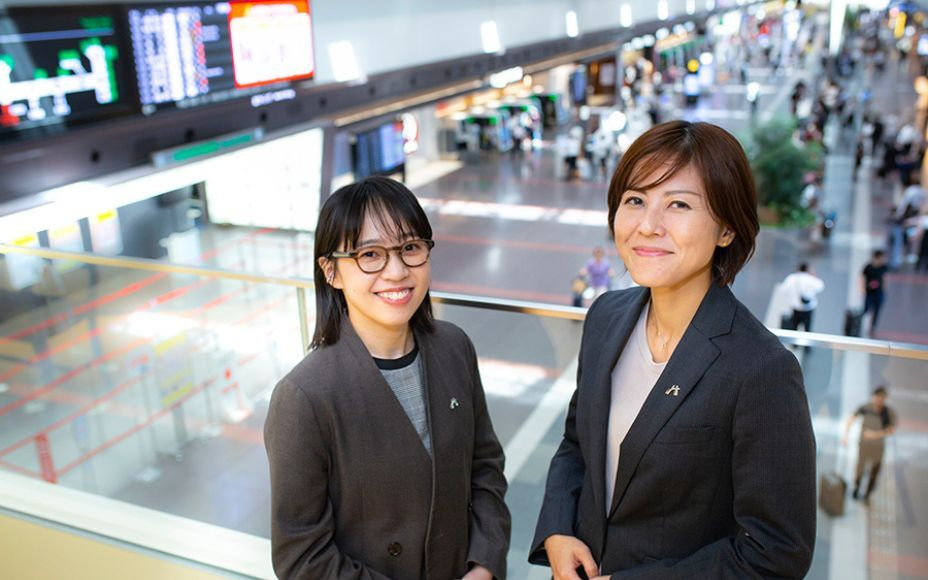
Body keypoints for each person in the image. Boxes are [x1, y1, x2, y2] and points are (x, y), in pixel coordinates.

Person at [529, 121, 816, 578]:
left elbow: (776, 551)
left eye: (678, 204)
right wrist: (558, 529)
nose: (647, 225)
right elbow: (577, 443)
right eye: (635, 200)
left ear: (726, 229)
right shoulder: (607, 316)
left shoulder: (761, 369)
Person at [264, 177, 510, 579]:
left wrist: (484, 563)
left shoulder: (453, 348)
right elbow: (302, 556)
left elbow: (485, 468)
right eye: (370, 255)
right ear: (331, 272)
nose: (396, 272)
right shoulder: (304, 396)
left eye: (410, 248)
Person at [841, 386, 897, 502]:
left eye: (882, 398)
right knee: (860, 469)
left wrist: (875, 434)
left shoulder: (887, 413)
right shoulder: (866, 408)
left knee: (874, 472)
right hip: (864, 446)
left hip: (878, 448)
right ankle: (856, 490)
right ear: (874, 397)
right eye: (878, 397)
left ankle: (867, 494)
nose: (879, 400)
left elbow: (891, 429)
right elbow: (851, 419)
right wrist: (846, 435)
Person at [781, 263, 826, 332]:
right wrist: (814, 275)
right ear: (807, 269)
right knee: (807, 329)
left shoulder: (792, 278)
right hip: (808, 308)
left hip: (795, 307)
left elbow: (784, 288)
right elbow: (820, 286)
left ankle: (793, 341)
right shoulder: (811, 278)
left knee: (794, 327)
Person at [861, 250, 889, 335]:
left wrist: (884, 290)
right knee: (866, 309)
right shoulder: (868, 267)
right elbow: (862, 277)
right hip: (870, 292)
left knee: (877, 310)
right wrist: (862, 289)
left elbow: (885, 278)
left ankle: (872, 327)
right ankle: (859, 324)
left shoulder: (883, 267)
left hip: (879, 292)